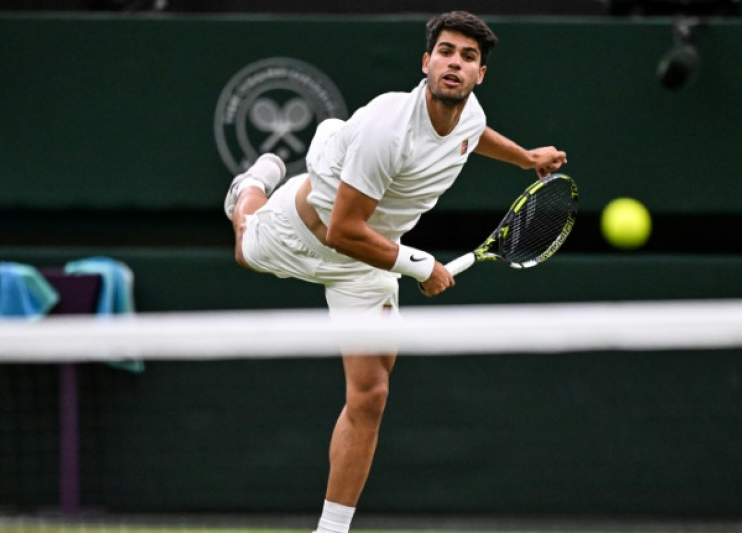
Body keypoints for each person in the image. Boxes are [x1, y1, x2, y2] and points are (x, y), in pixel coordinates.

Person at [223, 11, 567, 533]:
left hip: (364, 263)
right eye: (446, 52)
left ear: (479, 75)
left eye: (468, 57)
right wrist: (419, 264)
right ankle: (248, 188)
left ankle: (331, 530)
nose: (455, 63)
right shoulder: (390, 129)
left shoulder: (469, 114)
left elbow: (474, 137)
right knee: (245, 248)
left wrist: (525, 159)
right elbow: (342, 229)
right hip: (305, 230)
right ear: (427, 62)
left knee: (372, 393)